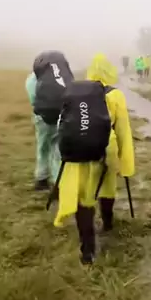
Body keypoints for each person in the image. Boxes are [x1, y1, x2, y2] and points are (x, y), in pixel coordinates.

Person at [54, 54, 135, 264]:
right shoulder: (116, 95)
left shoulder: (76, 93)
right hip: (106, 150)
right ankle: (107, 223)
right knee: (107, 187)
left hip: (80, 149)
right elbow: (123, 130)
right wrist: (126, 163)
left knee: (84, 197)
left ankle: (87, 250)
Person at [26, 64, 62, 191]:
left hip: (41, 118)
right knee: (57, 149)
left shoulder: (32, 79)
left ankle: (41, 178)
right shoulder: (60, 76)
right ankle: (57, 182)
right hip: (59, 116)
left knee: (42, 147)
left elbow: (33, 100)